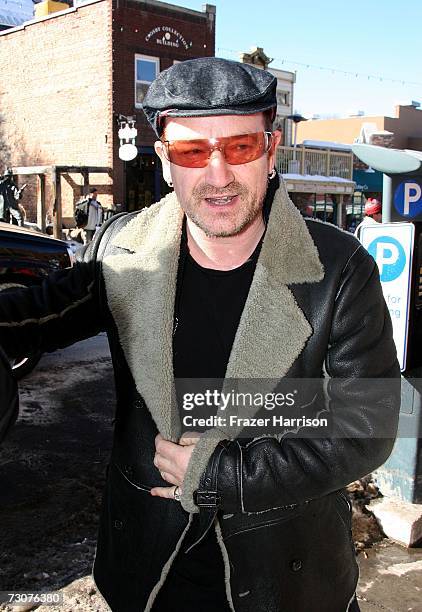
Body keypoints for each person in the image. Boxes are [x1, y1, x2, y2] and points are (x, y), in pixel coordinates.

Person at [0, 58, 400, 612]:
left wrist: (228, 475)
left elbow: (369, 425)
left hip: (287, 574)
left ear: (271, 148)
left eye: (239, 147)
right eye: (192, 151)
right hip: (149, 572)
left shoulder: (337, 268)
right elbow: (29, 317)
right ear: (165, 161)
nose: (218, 176)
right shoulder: (124, 251)